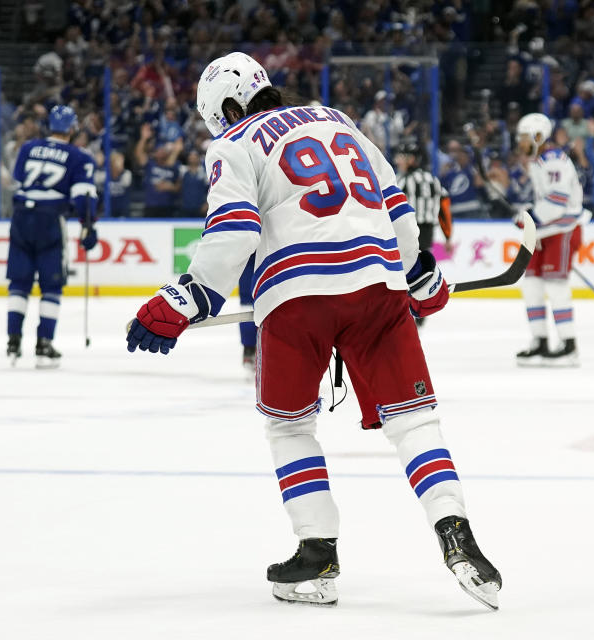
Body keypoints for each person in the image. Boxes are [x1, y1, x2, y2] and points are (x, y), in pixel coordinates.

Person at [124, 53, 500, 609]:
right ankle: (457, 533)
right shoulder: (336, 119)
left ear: (229, 106)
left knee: (290, 428)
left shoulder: (235, 143)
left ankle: (316, 553)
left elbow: (236, 228)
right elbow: (392, 203)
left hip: (296, 297)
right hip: (376, 287)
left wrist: (189, 297)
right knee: (415, 421)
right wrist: (419, 275)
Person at [6, 105, 98, 367]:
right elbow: (83, 196)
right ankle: (44, 344)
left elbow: (18, 180)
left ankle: (13, 340)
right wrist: (88, 226)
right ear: (72, 129)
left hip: (21, 217)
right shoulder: (79, 157)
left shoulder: (27, 148)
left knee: (19, 282)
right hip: (49, 219)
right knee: (52, 285)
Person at [512, 112, 586, 367]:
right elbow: (545, 200)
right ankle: (540, 341)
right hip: (544, 232)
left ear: (538, 136)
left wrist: (531, 216)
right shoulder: (538, 161)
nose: (520, 142)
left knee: (556, 287)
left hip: (563, 230)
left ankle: (568, 345)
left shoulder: (554, 160)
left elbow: (557, 201)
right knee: (531, 286)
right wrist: (526, 213)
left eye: (524, 137)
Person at [395, 141, 452, 327]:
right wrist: (448, 236)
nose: (398, 160)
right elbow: (444, 209)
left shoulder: (401, 180)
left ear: (411, 159)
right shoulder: (433, 180)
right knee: (419, 270)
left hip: (407, 228)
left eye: (402, 157)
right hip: (427, 230)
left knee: (401, 269)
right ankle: (421, 307)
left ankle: (404, 309)